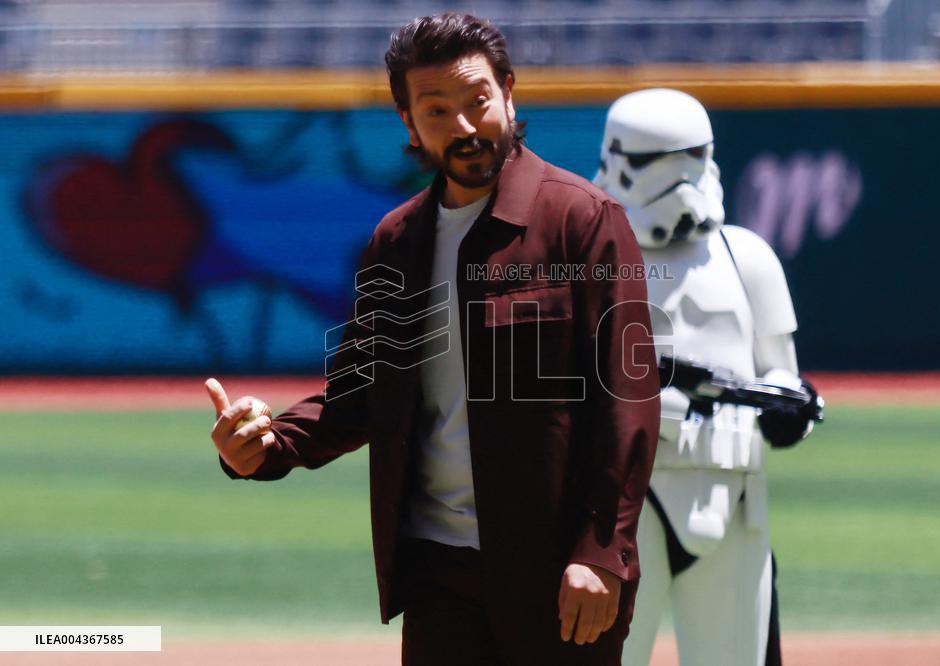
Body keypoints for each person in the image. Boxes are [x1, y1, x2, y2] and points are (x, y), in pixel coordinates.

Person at [205, 14, 660, 666]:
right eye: (438, 110)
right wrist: (268, 444)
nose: (465, 126)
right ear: (410, 123)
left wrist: (603, 550)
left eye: (477, 100)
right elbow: (361, 396)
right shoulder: (396, 242)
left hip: (558, 574)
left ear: (508, 93)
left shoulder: (583, 220)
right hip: (436, 576)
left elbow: (630, 399)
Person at [593, 88, 821, 666]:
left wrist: (789, 408)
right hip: (619, 506)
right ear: (618, 161)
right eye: (656, 161)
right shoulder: (585, 257)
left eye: (692, 157)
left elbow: (781, 375)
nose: (678, 178)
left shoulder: (746, 257)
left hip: (733, 497)